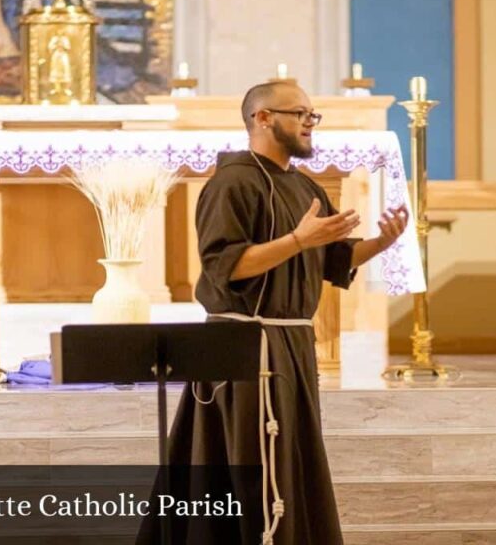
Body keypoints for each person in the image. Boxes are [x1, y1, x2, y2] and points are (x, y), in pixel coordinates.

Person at [166, 81, 409, 544]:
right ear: (262, 118)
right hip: (243, 346)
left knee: (291, 460)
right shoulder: (232, 182)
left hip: (292, 343)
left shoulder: (303, 186)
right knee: (252, 465)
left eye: (312, 116)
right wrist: (298, 240)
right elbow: (225, 267)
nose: (309, 124)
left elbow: (331, 259)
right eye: (300, 114)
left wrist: (381, 243)